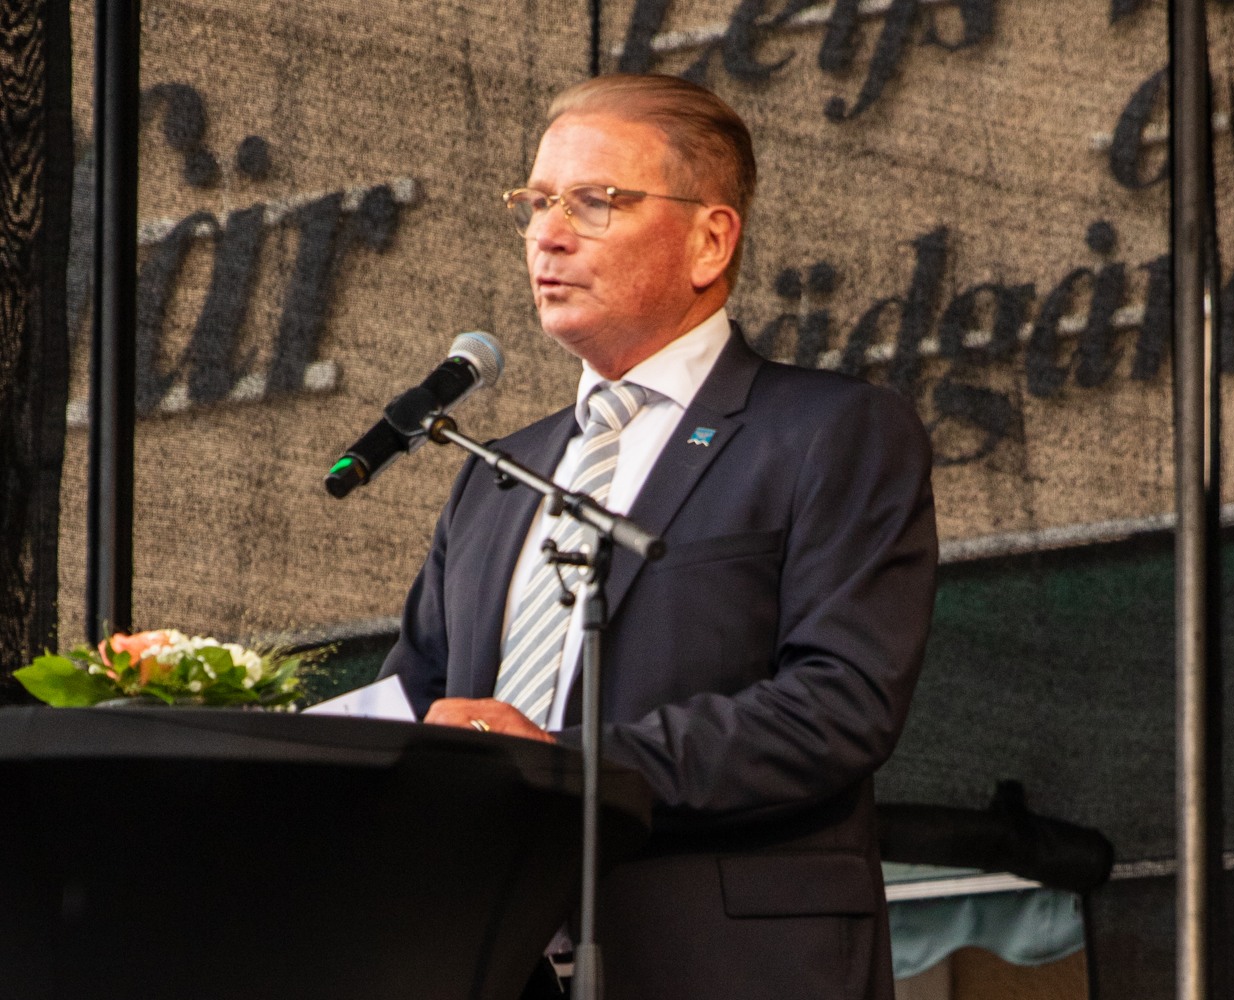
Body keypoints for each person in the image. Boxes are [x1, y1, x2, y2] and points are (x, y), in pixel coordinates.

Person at [380, 73, 938, 1000]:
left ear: (710, 240)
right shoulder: (492, 472)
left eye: (595, 201)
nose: (547, 234)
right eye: (536, 202)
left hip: (721, 964)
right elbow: (419, 704)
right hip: (489, 966)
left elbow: (838, 704)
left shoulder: (830, 432)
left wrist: (566, 769)